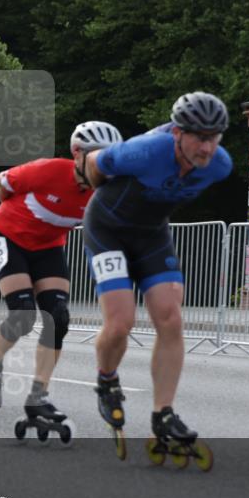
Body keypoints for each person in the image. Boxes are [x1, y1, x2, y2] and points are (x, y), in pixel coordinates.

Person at [81, 91, 231, 461]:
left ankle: (163, 414)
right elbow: (93, 161)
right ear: (177, 133)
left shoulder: (219, 165)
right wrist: (101, 189)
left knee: (170, 316)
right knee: (121, 322)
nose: (207, 147)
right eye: (199, 137)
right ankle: (106, 380)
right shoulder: (145, 150)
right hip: (107, 229)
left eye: (214, 138)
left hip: (151, 235)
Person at [0, 121, 123, 437]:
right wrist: (16, 215)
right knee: (23, 315)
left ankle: (38, 396)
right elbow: (1, 184)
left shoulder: (105, 193)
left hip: (48, 247)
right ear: (77, 154)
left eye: (110, 159)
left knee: (58, 317)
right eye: (97, 158)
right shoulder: (49, 170)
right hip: (8, 235)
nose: (104, 167)